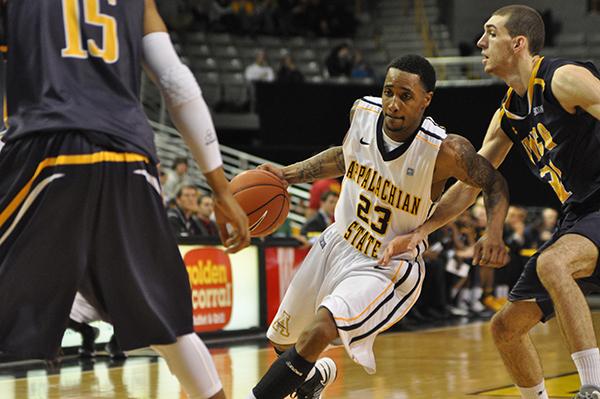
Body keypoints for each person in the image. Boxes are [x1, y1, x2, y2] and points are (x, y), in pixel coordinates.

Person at [0, 2, 250, 399]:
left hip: (51, 146)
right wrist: (219, 187)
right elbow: (176, 82)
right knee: (167, 325)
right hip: (129, 159)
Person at [246, 54, 510, 399]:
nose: (393, 104)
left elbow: (493, 183)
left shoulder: (445, 150)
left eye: (405, 95)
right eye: (389, 92)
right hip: (338, 240)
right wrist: (287, 174)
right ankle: (313, 383)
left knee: (320, 330)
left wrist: (493, 233)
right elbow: (343, 156)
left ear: (426, 100)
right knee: (282, 341)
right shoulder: (363, 113)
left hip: (386, 263)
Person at [385, 5, 600, 399]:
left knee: (554, 263)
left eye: (490, 33)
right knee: (505, 328)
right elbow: (471, 184)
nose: (480, 42)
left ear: (518, 43)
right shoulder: (508, 115)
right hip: (578, 215)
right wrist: (420, 231)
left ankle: (593, 387)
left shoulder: (562, 78)